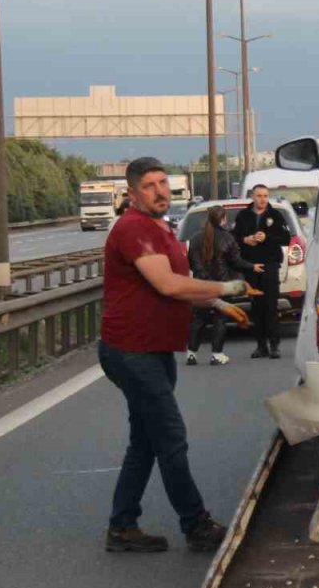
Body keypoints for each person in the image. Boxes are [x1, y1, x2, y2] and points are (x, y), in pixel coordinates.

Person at [100, 157, 253, 553]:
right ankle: (195, 524)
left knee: (145, 442)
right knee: (170, 438)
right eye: (149, 186)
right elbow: (167, 285)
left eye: (163, 183)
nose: (160, 191)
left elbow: (181, 281)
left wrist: (217, 306)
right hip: (132, 351)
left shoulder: (160, 227)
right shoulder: (134, 228)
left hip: (152, 349)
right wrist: (227, 290)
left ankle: (122, 526)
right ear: (132, 194)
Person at [186, 204, 261, 366]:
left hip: (201, 285)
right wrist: (252, 266)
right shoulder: (227, 238)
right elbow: (236, 261)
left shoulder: (195, 239)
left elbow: (192, 263)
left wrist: (201, 275)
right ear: (223, 219)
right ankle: (216, 354)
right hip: (222, 284)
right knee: (220, 318)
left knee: (199, 319)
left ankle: (191, 353)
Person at [231, 184, 291, 359]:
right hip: (251, 265)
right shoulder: (243, 216)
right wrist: (245, 239)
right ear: (252, 196)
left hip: (270, 265)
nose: (262, 199)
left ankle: (274, 345)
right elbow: (233, 237)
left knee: (271, 305)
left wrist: (267, 238)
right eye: (259, 196)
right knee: (256, 307)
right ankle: (260, 345)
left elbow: (286, 238)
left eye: (265, 196)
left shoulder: (275, 215)